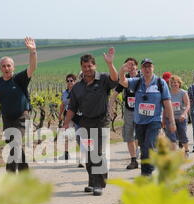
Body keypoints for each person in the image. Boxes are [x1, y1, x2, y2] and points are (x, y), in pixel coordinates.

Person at [63, 50, 118, 196]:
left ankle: (99, 184)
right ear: (81, 67)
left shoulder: (104, 79)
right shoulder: (77, 87)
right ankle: (93, 182)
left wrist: (110, 63)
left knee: (97, 152)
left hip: (101, 121)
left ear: (94, 66)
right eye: (84, 66)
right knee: (88, 153)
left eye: (90, 66)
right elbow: (72, 108)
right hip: (85, 122)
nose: (87, 69)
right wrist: (65, 124)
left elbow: (115, 79)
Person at [119, 58, 176, 176]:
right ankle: (150, 167)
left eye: (149, 66)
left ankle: (146, 174)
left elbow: (167, 103)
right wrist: (122, 70)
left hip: (154, 121)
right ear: (141, 69)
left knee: (149, 145)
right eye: (145, 67)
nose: (147, 69)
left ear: (153, 68)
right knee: (143, 147)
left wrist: (172, 121)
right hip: (139, 122)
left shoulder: (160, 83)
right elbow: (122, 81)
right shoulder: (137, 82)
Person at [0, 37, 37, 173]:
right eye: (4, 66)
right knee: (14, 146)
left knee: (15, 145)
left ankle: (10, 175)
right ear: (0, 68)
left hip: (21, 117)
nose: (6, 68)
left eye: (9, 65)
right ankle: (25, 173)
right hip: (7, 119)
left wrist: (33, 52)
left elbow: (32, 68)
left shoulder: (19, 78)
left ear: (13, 67)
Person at [108, 57, 139, 170]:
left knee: (142, 135)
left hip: (142, 112)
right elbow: (114, 95)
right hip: (129, 111)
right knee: (129, 135)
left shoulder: (142, 78)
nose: (130, 68)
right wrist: (110, 107)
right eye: (128, 66)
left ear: (137, 67)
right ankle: (133, 160)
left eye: (132, 66)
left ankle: (142, 152)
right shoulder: (124, 80)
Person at [167, 75, 190, 156]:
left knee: (182, 135)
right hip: (170, 118)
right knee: (172, 137)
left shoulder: (183, 93)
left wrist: (184, 114)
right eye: (172, 83)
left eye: (175, 83)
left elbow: (187, 105)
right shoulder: (168, 93)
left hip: (181, 118)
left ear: (179, 83)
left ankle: (186, 150)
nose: (174, 84)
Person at [58, 73, 77, 161]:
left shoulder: (79, 91)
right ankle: (66, 153)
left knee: (80, 134)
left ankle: (86, 153)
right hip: (68, 115)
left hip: (78, 115)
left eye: (71, 81)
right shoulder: (64, 93)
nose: (69, 82)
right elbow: (62, 104)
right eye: (68, 81)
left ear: (75, 81)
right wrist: (60, 114)